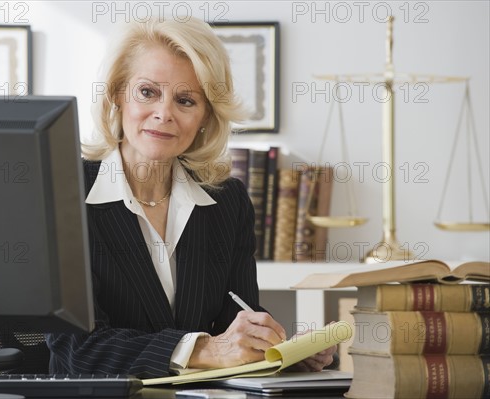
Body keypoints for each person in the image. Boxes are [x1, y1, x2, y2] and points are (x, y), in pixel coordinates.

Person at [45, 17, 336, 378]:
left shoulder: (228, 202)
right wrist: (203, 349)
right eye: (147, 92)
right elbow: (79, 350)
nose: (164, 113)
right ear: (118, 95)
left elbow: (234, 326)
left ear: (206, 116)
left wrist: (280, 350)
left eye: (185, 100)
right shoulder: (63, 196)